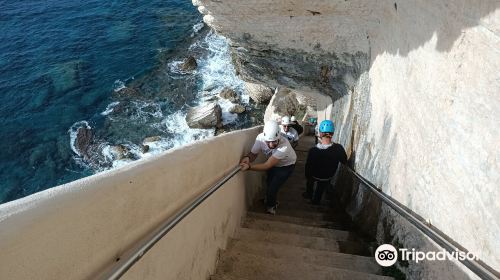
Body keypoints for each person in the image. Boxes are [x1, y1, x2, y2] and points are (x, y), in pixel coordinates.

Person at [240, 121, 297, 214]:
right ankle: (269, 199)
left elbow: (267, 165)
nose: (271, 145)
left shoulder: (284, 145)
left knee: (273, 188)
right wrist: (248, 158)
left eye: (274, 142)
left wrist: (249, 166)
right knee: (269, 182)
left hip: (286, 166)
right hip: (274, 163)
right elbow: (253, 154)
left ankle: (271, 206)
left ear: (279, 138)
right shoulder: (260, 138)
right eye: (268, 142)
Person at [303, 120, 347, 205]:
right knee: (321, 186)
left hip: (314, 175)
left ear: (320, 133)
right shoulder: (338, 148)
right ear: (332, 133)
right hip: (328, 176)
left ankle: (309, 193)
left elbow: (308, 166)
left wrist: (307, 176)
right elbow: (344, 160)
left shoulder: (313, 150)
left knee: (310, 180)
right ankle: (316, 201)